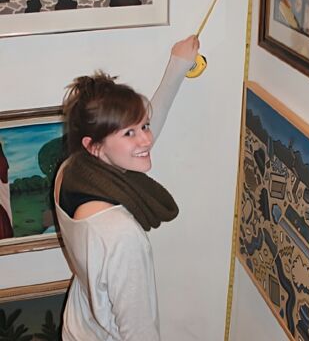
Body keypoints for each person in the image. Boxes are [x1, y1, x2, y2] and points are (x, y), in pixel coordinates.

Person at [53, 35, 199, 340]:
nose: (145, 140)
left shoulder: (71, 173)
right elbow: (139, 331)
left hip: (78, 329)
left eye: (143, 127)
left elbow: (135, 138)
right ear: (94, 147)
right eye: (129, 133)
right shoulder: (121, 235)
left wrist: (177, 67)